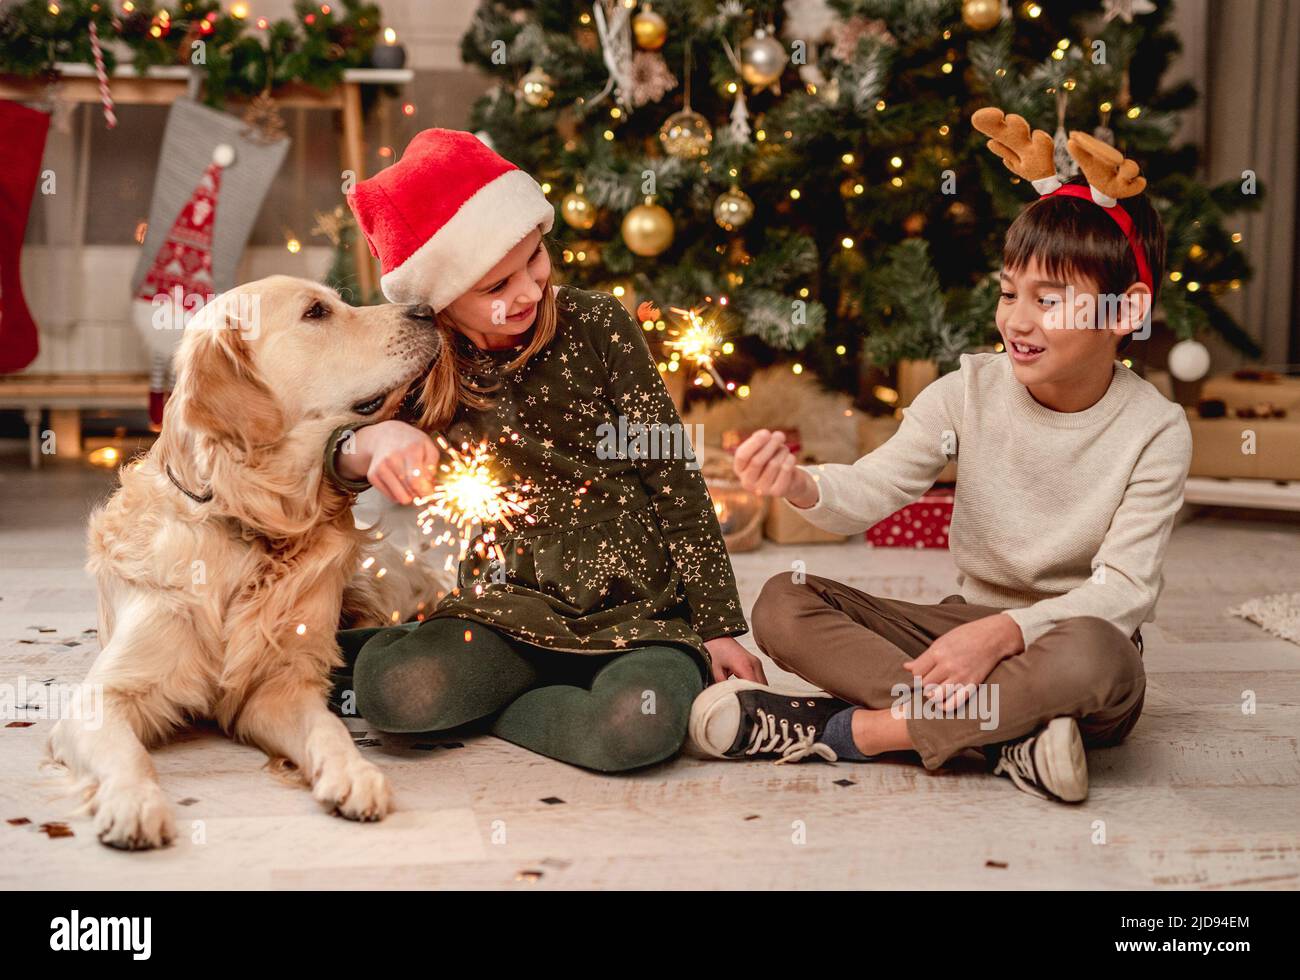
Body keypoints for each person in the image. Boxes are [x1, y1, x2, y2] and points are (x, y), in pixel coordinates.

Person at [689, 112, 1191, 803]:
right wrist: (799, 483)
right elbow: (872, 489)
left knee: (1099, 654)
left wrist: (1004, 634)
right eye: (1010, 292)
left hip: (1069, 640)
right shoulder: (968, 391)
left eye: (1050, 300)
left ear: (1126, 309)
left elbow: (1124, 593)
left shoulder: (1156, 429)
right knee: (783, 600)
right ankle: (1013, 735)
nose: (1017, 320)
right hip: (956, 628)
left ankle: (853, 732)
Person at [324, 129, 763, 774]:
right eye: (497, 284)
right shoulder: (426, 364)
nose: (528, 290)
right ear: (441, 300)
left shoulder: (599, 326)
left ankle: (494, 704)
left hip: (638, 616)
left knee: (634, 728)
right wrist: (365, 443)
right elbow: (320, 446)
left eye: (536, 260)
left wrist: (718, 622)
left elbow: (673, 477)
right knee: (396, 694)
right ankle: (475, 678)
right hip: (507, 611)